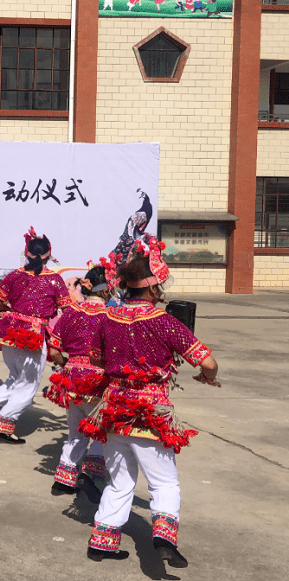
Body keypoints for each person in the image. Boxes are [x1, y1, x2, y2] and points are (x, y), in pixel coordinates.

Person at [80, 239, 219, 568]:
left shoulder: (107, 318)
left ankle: (102, 542)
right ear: (154, 287)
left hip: (113, 408)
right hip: (150, 412)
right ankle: (164, 539)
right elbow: (207, 361)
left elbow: (97, 359)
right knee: (164, 481)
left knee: (120, 480)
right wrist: (209, 377)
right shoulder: (165, 322)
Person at [0, 228, 71, 444]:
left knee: (16, 376)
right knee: (27, 385)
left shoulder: (15, 276)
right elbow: (68, 309)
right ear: (49, 254)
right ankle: (5, 426)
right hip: (33, 337)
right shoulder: (54, 280)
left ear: (26, 252)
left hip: (10, 333)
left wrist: (15, 309)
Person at [43, 263, 113, 498]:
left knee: (75, 435)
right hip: (99, 383)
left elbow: (53, 351)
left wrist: (68, 365)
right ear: (106, 290)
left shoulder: (71, 312)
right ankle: (90, 476)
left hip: (72, 380)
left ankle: (63, 481)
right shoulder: (112, 316)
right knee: (104, 432)